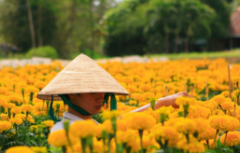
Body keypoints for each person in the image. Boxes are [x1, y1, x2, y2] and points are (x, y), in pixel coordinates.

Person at [36, 54, 191, 133]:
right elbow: (103, 135)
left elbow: (109, 129)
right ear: (71, 95)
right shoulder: (63, 130)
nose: (101, 96)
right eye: (92, 90)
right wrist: (160, 103)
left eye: (103, 89)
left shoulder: (92, 124)